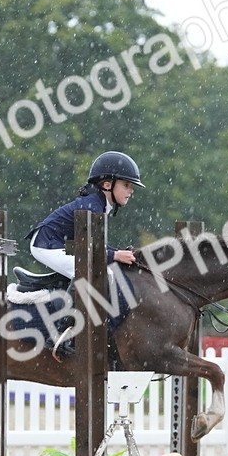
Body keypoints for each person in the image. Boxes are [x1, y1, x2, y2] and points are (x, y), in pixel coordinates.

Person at [25, 150, 143, 357]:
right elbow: (91, 252)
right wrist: (115, 255)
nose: (130, 191)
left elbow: (96, 246)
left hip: (57, 243)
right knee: (86, 273)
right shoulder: (93, 207)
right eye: (126, 185)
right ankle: (59, 333)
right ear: (107, 184)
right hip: (46, 245)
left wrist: (117, 253)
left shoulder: (100, 205)